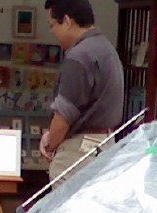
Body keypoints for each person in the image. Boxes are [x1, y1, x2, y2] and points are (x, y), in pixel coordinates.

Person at [40, 0, 125, 182]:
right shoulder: (107, 49)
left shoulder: (79, 56)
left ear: (67, 21)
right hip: (106, 144)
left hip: (78, 150)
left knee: (67, 199)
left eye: (52, 25)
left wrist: (50, 143)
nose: (52, 31)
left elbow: (64, 115)